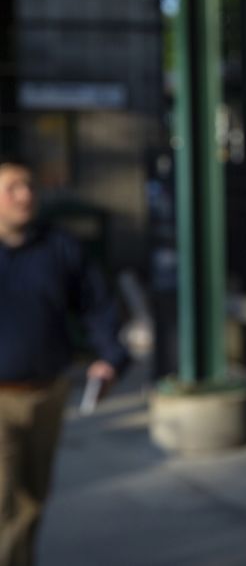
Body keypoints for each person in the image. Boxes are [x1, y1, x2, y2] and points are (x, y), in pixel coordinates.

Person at [0, 155, 128, 566]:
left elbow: (97, 306)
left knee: (33, 500)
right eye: (12, 188)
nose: (25, 195)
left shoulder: (60, 247)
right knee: (4, 506)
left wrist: (109, 357)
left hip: (48, 393)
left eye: (29, 186)